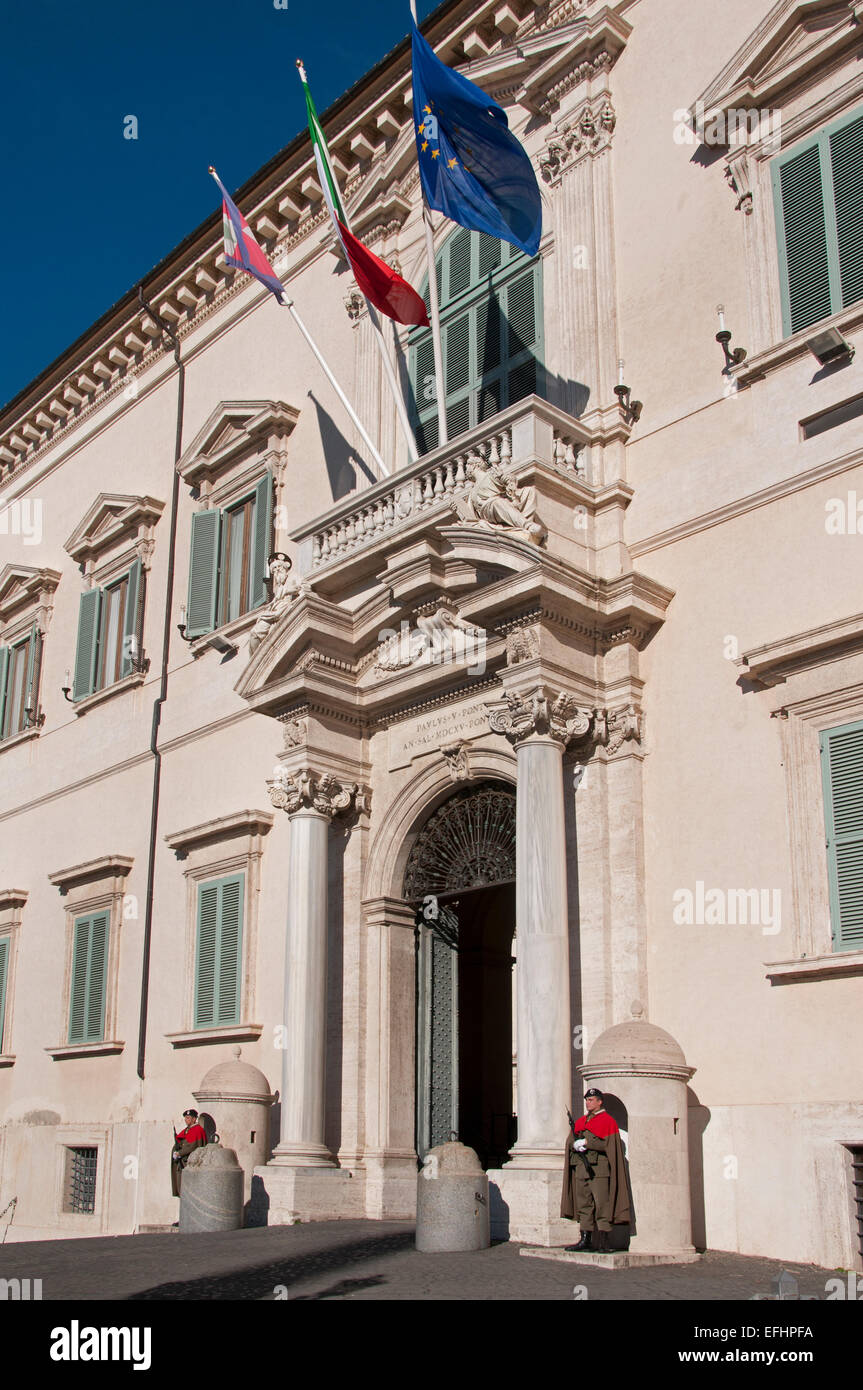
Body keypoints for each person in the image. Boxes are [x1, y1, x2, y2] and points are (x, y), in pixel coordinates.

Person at [560, 1087, 631, 1252]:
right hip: (581, 1170)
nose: (587, 1103)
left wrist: (587, 1143)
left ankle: (604, 1242)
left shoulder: (608, 1121)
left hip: (599, 1170)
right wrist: (575, 1144)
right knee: (584, 1205)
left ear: (599, 1102)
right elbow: (571, 1141)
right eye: (586, 1100)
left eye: (591, 1100)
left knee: (601, 1205)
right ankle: (586, 1239)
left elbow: (608, 1145)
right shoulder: (581, 1121)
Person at [170, 1107, 208, 1198]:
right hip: (182, 1162)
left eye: (188, 1118)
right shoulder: (188, 1130)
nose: (186, 1120)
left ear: (194, 1119)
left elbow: (191, 1145)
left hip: (188, 1163)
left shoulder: (197, 1130)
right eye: (185, 1118)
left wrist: (179, 1153)